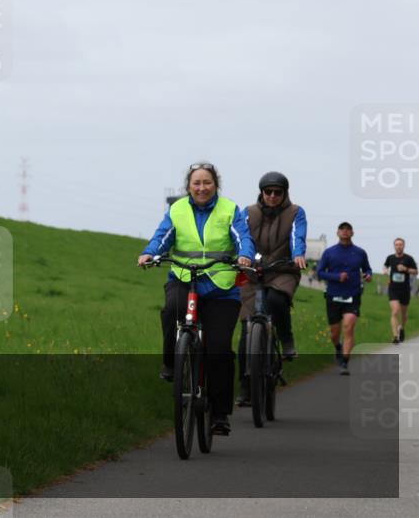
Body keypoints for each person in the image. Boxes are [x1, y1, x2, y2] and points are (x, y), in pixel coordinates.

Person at [138, 163, 255, 436]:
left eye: (207, 183)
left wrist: (244, 255)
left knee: (219, 349)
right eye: (196, 183)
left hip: (221, 285)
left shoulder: (229, 209)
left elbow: (243, 237)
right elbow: (162, 236)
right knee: (171, 311)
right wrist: (149, 253)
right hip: (183, 276)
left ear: (216, 185)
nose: (202, 188)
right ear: (188, 187)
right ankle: (171, 362)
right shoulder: (177, 209)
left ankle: (220, 414)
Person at [235, 172, 308, 407]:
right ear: (262, 192)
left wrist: (297, 255)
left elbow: (298, 236)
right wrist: (240, 257)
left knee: (276, 300)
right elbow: (241, 237)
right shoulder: (249, 212)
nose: (273, 196)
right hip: (252, 272)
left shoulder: (296, 212)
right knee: (247, 328)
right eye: (269, 192)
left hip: (282, 270)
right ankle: (246, 387)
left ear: (285, 193)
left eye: (278, 192)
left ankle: (286, 340)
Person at [316, 222, 373, 375]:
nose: (345, 232)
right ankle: (338, 347)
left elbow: (367, 269)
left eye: (348, 229)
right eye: (342, 229)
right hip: (333, 294)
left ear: (352, 233)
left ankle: (345, 362)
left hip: (353, 295)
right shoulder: (329, 252)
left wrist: (368, 275)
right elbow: (319, 273)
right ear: (337, 232)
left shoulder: (360, 252)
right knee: (334, 333)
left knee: (348, 327)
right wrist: (336, 277)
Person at [384, 237, 418, 343]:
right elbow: (385, 266)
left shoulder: (409, 258)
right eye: (397, 244)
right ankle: (395, 336)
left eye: (400, 244)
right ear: (394, 246)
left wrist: (406, 269)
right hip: (393, 288)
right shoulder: (390, 258)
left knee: (404, 314)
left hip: (404, 289)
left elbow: (416, 272)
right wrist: (385, 271)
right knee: (395, 311)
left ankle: (401, 328)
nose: (398, 246)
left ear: (404, 246)